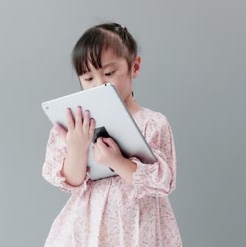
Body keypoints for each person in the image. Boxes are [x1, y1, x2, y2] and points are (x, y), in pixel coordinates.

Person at [42, 22, 182, 246]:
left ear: (134, 67)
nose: (99, 84)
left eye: (108, 73)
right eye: (88, 78)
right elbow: (71, 182)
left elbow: (162, 182)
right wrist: (77, 148)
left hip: (138, 227)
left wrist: (117, 161)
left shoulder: (152, 123)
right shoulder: (76, 125)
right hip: (89, 227)